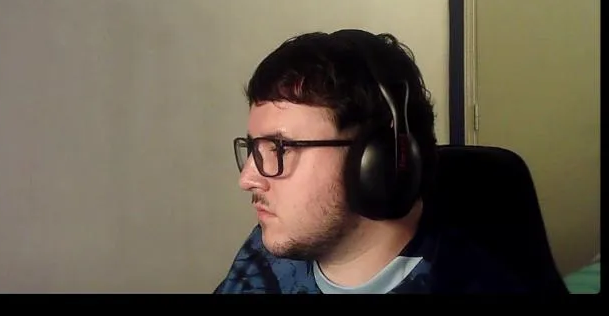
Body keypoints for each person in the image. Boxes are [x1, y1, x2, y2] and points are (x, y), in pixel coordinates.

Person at [215, 29, 536, 294]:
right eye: (253, 148)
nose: (247, 179)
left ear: (377, 161)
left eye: (279, 148)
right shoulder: (268, 247)